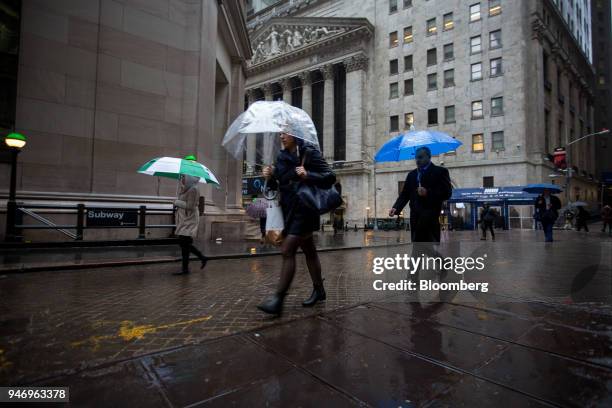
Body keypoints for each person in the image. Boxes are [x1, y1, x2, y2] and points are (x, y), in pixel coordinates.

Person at [257, 133, 335, 315]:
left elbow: (330, 176)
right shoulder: (281, 157)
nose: (282, 136)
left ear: (295, 134)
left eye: (286, 133)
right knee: (309, 250)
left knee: (287, 250)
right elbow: (281, 182)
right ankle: (319, 290)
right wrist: (270, 175)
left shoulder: (310, 153)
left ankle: (278, 299)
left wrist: (308, 174)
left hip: (305, 208)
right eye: (280, 133)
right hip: (288, 209)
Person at [388, 146, 452, 242]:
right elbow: (405, 194)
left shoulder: (440, 172)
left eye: (420, 157)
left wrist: (428, 193)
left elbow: (447, 193)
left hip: (430, 220)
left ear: (429, 157)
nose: (417, 160)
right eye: (416, 157)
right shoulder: (412, 175)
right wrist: (396, 207)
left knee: (431, 252)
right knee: (418, 251)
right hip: (415, 219)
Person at [174, 174, 207, 275]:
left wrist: (176, 202)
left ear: (189, 178)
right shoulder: (186, 188)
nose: (182, 179)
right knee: (185, 244)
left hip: (189, 219)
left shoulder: (194, 189)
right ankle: (198, 261)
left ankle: (187, 267)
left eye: (184, 177)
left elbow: (190, 206)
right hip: (184, 219)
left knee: (184, 243)